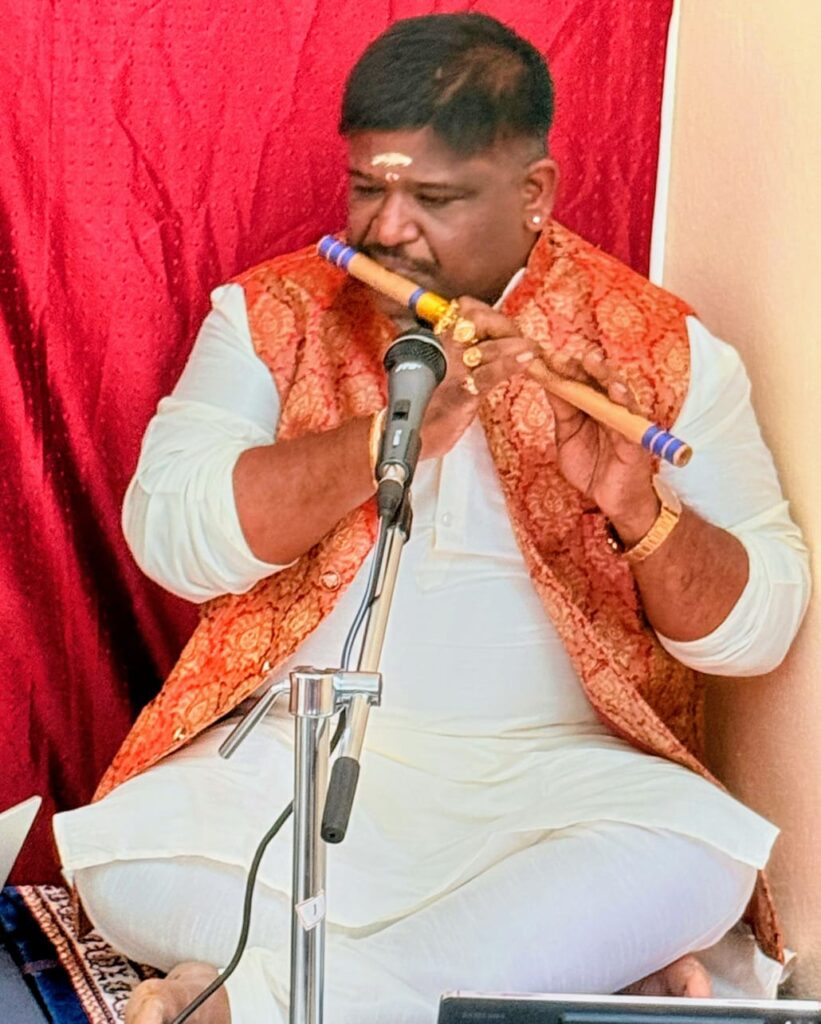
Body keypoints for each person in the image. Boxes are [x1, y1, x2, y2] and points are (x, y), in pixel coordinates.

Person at [53, 13, 810, 1024]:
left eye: (435, 199)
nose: (387, 229)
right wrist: (390, 433)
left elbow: (758, 629)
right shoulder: (272, 315)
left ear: (533, 193)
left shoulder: (658, 348)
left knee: (695, 856)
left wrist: (639, 507)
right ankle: (508, 976)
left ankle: (254, 998)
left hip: (550, 784)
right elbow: (169, 537)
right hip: (290, 764)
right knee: (128, 857)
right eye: (367, 187)